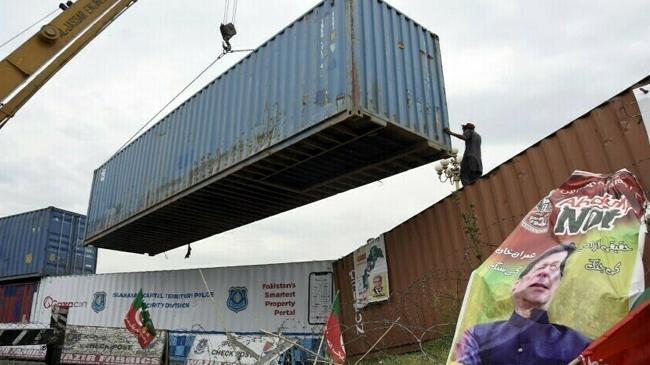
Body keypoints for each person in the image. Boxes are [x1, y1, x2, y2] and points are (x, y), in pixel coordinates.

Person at [455, 242, 590, 365]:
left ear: (556, 290)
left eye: (555, 270)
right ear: (516, 285)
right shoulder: (476, 336)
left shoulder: (580, 345)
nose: (545, 272)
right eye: (540, 267)